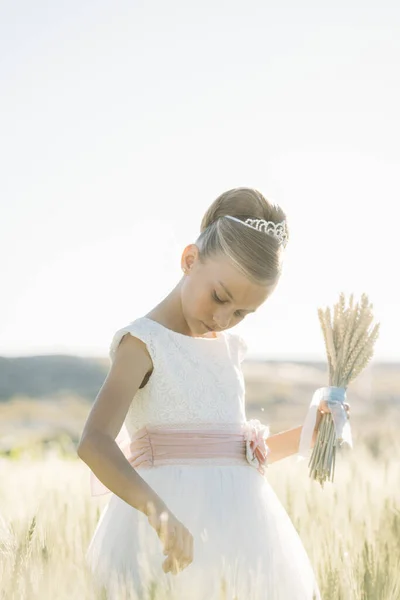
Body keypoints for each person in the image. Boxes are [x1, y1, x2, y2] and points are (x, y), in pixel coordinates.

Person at [77, 187, 350, 600]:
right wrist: (160, 515)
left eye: (242, 313)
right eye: (220, 297)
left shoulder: (227, 350)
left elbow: (235, 456)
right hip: (166, 536)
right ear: (190, 260)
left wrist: (312, 431)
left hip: (238, 534)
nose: (223, 317)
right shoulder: (143, 343)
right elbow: (93, 443)